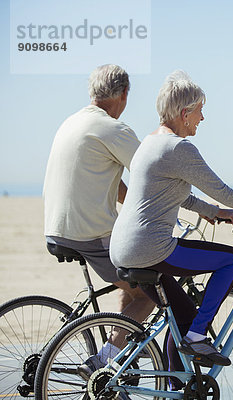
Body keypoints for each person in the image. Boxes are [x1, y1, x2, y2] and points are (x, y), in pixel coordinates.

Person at [109, 70, 233, 375]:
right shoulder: (179, 149)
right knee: (232, 260)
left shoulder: (150, 144)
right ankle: (198, 337)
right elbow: (225, 192)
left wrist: (213, 212)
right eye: (199, 111)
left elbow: (173, 195)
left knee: (182, 315)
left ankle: (176, 384)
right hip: (151, 248)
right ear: (185, 113)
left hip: (123, 247)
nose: (202, 118)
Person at [43, 64, 155, 378]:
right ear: (123, 95)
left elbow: (114, 185)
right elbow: (153, 172)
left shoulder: (72, 122)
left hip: (56, 227)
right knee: (150, 291)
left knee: (130, 282)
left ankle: (119, 345)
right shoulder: (112, 129)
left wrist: (135, 203)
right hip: (88, 233)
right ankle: (105, 361)